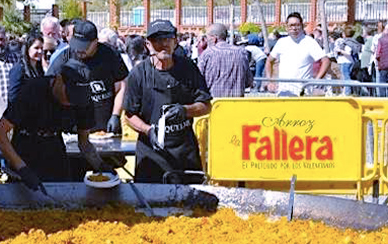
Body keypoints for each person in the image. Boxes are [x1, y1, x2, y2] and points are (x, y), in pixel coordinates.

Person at [0, 59, 107, 187]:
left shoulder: (83, 101)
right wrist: (22, 169)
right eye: (69, 95)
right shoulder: (32, 90)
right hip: (25, 147)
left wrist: (101, 166)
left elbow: (84, 143)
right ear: (59, 79)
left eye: (75, 99)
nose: (70, 102)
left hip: (55, 149)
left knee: (61, 195)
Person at [124, 20, 211, 184]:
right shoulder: (138, 74)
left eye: (167, 39)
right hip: (151, 155)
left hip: (184, 152)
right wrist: (148, 131)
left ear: (175, 41)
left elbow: (206, 106)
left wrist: (185, 110)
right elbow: (129, 115)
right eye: (157, 40)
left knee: (191, 198)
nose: (163, 44)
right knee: (149, 198)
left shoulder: (188, 68)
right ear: (148, 45)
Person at [47, 20, 129, 134]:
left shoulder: (109, 55)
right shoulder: (64, 58)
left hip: (105, 126)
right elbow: (49, 87)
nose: (79, 50)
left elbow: (122, 85)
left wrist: (116, 115)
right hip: (74, 127)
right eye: (77, 44)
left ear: (95, 42)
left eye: (84, 46)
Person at [265, 13, 329, 96]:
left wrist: (316, 80)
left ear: (302, 26)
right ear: (286, 27)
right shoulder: (281, 42)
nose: (294, 28)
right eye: (291, 25)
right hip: (284, 91)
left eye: (297, 25)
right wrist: (270, 81)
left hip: (303, 92)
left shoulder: (309, 42)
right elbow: (269, 61)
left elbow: (326, 61)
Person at [197, 23, 250, 98]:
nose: (206, 40)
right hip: (237, 102)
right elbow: (248, 81)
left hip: (215, 102)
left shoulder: (207, 54)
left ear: (214, 38)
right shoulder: (241, 52)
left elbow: (198, 80)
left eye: (207, 37)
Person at [8, 31, 46, 104]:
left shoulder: (39, 69)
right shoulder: (19, 69)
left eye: (42, 48)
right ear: (27, 49)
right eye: (36, 48)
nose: (40, 51)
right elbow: (13, 97)